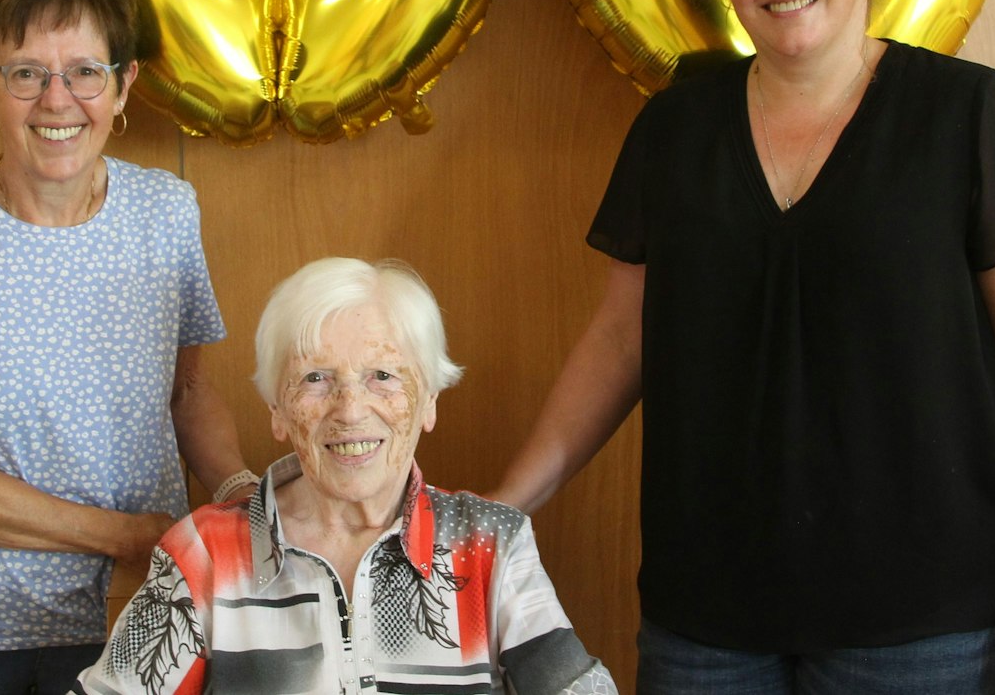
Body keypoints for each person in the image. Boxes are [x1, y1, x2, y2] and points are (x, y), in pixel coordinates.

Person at [492, 0, 995, 695]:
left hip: (926, 627)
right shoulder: (674, 131)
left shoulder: (970, 116)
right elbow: (622, 342)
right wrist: (505, 508)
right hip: (706, 627)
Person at [0, 0, 257, 695]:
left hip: (142, 610)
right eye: (25, 73)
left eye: (84, 71)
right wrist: (124, 532)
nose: (57, 99)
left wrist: (240, 487)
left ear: (123, 86)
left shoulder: (168, 210)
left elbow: (187, 393)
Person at [74, 257, 616, 695]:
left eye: (382, 376)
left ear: (428, 401)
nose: (350, 409)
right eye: (315, 378)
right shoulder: (207, 553)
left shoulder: (489, 543)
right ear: (277, 411)